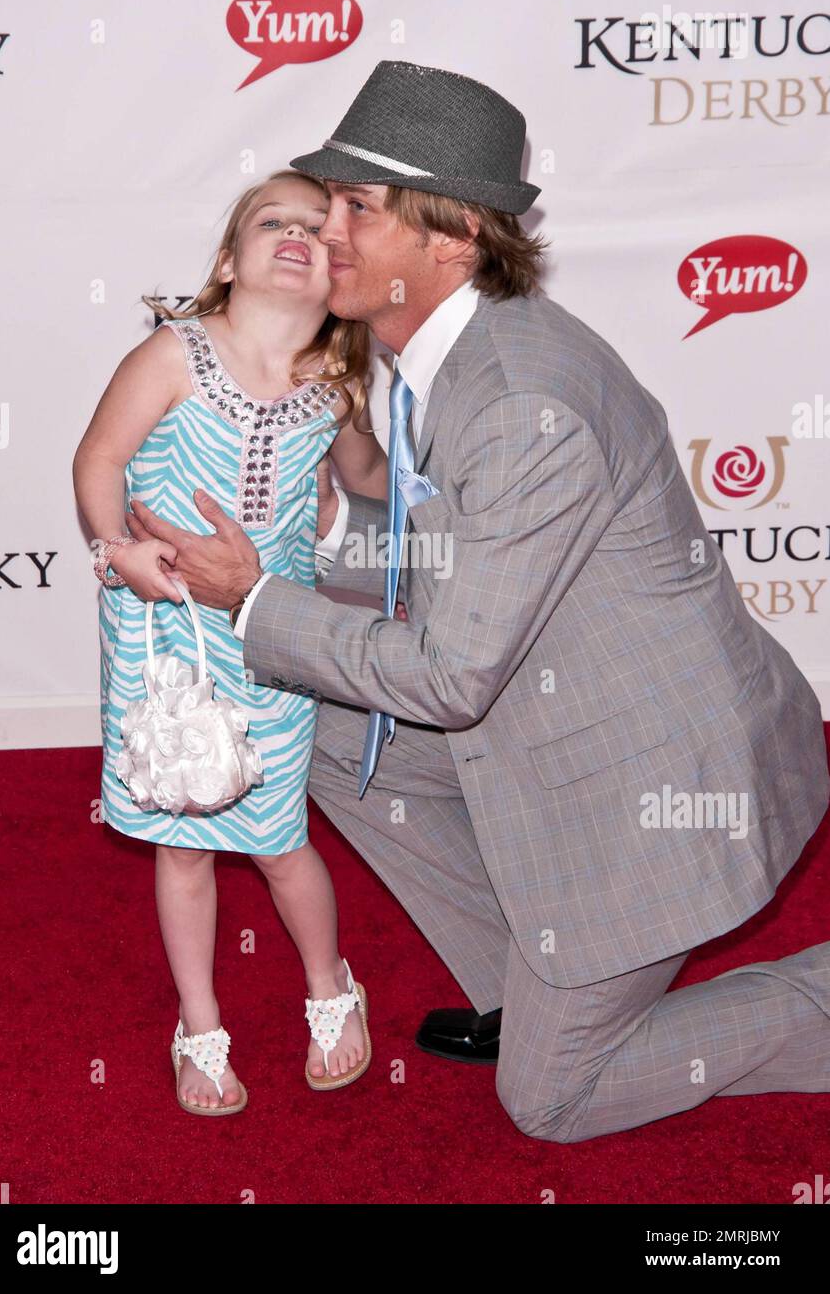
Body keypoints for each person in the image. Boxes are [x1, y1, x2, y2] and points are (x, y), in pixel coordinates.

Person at [126, 61, 830, 1142]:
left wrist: (254, 594)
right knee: (299, 722)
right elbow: (440, 559)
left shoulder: (512, 396)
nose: (325, 230)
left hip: (660, 794)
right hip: (559, 705)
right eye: (327, 202)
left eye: (358, 207)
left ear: (451, 233)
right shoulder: (449, 352)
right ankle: (532, 981)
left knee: (549, 1100)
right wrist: (301, 546)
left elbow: (450, 676)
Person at [73, 169, 388, 1112]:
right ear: (228, 257)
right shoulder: (174, 353)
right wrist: (115, 548)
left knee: (279, 836)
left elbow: (371, 476)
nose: (293, 234)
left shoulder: (335, 383)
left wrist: (366, 466)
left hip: (268, 632)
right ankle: (199, 1024)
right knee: (184, 841)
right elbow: (99, 458)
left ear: (336, 268)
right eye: (270, 221)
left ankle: (330, 987)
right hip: (161, 633)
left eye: (312, 227)